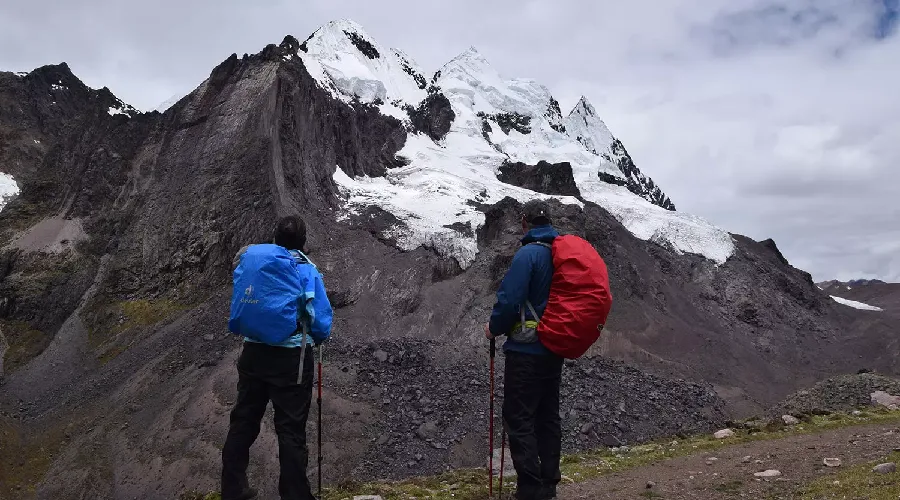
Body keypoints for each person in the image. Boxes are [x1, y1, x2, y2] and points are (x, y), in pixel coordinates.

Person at [222, 215, 333, 500]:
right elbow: (320, 323)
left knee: (243, 421)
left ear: (275, 237)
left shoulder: (256, 263)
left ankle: (233, 490)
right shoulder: (306, 270)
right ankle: (295, 495)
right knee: (290, 430)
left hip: (253, 354)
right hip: (290, 361)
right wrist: (318, 337)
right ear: (303, 242)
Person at [485, 200, 563, 500]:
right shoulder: (560, 255)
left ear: (524, 222)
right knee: (547, 416)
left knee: (519, 418)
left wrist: (493, 328)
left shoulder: (528, 254)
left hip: (526, 351)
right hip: (554, 349)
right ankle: (549, 486)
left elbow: (510, 300)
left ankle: (530, 490)